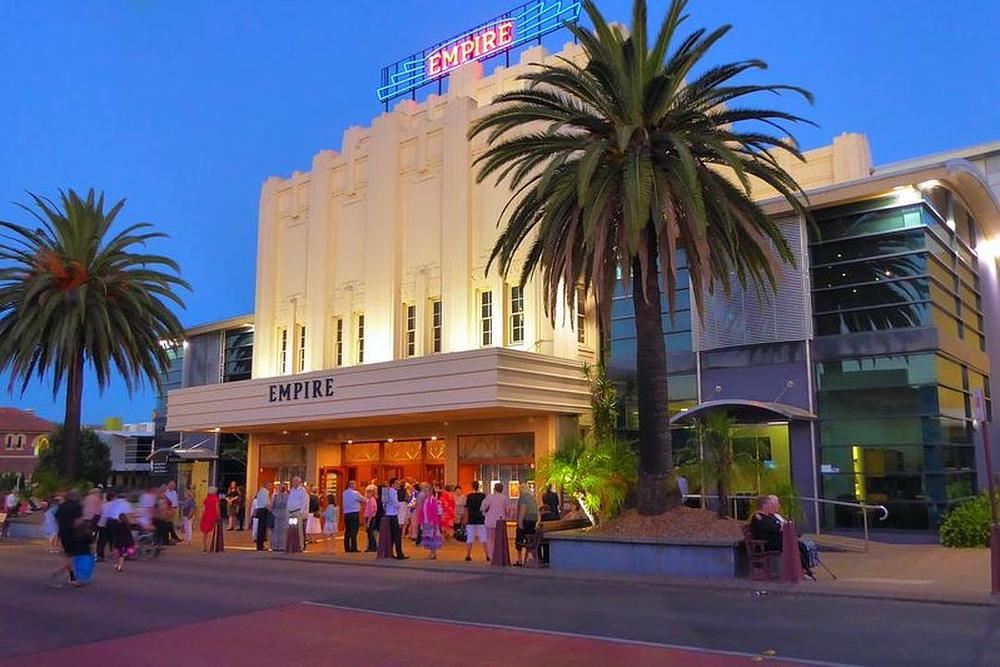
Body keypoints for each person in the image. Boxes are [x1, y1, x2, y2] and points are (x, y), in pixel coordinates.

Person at [749, 494, 815, 580]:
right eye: (769, 504)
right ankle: (801, 571)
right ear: (764, 505)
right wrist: (781, 527)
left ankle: (803, 570)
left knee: (799, 545)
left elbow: (778, 526)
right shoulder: (759, 517)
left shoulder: (768, 516)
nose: (771, 506)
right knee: (796, 546)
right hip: (768, 543)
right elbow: (774, 528)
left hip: (776, 540)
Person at [52, 490, 94, 587]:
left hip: (64, 534)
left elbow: (56, 520)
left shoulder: (61, 506)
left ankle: (72, 576)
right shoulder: (77, 506)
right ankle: (81, 577)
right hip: (75, 534)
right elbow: (78, 521)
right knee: (81, 554)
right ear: (76, 497)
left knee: (69, 555)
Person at [415, 483, 443, 559]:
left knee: (433, 536)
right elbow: (421, 511)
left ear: (430, 491)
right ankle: (431, 553)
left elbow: (436, 511)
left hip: (432, 521)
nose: (425, 493)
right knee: (428, 536)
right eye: (424, 491)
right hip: (426, 520)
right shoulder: (425, 500)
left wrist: (434, 521)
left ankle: (433, 553)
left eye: (427, 491)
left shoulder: (433, 500)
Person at [463, 481, 489, 562]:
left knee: (470, 538)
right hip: (481, 519)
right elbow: (486, 507)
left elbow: (466, 509)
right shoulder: (483, 496)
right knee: (484, 538)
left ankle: (468, 555)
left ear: (472, 487)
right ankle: (488, 555)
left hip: (471, 519)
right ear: (479, 486)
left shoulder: (469, 496)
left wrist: (465, 519)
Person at [481, 482, 508, 559]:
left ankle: (492, 556)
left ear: (494, 489)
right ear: (502, 489)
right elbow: (508, 510)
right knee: (499, 540)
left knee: (490, 540)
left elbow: (483, 508)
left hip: (490, 521)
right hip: (501, 522)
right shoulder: (505, 498)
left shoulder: (489, 497)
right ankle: (499, 556)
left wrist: (485, 513)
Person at [382, 478, 407, 559]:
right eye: (396, 483)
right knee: (397, 536)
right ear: (392, 484)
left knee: (392, 536)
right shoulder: (393, 492)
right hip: (393, 515)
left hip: (388, 515)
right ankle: (399, 554)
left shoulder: (387, 491)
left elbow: (384, 503)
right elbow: (395, 503)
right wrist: (400, 505)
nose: (398, 485)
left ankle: (390, 552)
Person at [515, 487, 540, 566]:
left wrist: (520, 524)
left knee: (519, 539)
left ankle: (519, 560)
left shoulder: (523, 498)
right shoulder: (532, 498)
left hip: (526, 521)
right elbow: (537, 512)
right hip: (533, 522)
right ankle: (531, 558)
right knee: (531, 539)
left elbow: (523, 510)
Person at [287, 477, 308, 552]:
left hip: (297, 512)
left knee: (299, 530)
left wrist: (301, 512)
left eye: (295, 481)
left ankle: (300, 546)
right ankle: (291, 546)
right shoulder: (292, 490)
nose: (293, 483)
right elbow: (289, 500)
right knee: (290, 530)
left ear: (299, 482)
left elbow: (304, 502)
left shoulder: (302, 491)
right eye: (293, 481)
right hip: (290, 512)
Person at [342, 480, 364, 553]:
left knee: (347, 531)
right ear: (351, 485)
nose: (356, 486)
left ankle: (347, 548)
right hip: (354, 514)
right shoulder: (355, 493)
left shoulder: (344, 493)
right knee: (354, 531)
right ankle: (353, 548)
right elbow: (363, 499)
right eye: (355, 484)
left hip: (346, 514)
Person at [200, 486, 220, 553]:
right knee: (212, 532)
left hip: (206, 516)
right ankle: (211, 546)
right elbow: (217, 509)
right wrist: (219, 516)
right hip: (213, 516)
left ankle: (204, 547)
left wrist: (201, 517)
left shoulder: (206, 500)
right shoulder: (216, 499)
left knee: (205, 532)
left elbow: (203, 509)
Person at [270, 483, 289, 552]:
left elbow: (271, 505)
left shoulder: (276, 495)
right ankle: (279, 546)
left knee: (279, 530)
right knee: (278, 530)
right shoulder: (285, 496)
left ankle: (278, 546)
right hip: (280, 515)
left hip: (279, 514)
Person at [253, 482, 272, 551]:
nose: (271, 487)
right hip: (263, 511)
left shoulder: (260, 492)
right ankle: (260, 545)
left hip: (260, 510)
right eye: (270, 485)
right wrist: (271, 510)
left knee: (260, 528)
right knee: (262, 529)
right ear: (266, 485)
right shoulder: (265, 492)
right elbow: (266, 503)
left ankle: (260, 544)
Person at [363, 486, 378, 552]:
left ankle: (373, 547)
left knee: (370, 533)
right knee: (369, 533)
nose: (366, 495)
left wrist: (368, 521)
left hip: (370, 518)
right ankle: (371, 546)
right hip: (368, 518)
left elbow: (372, 512)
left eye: (368, 493)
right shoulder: (370, 500)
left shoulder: (371, 500)